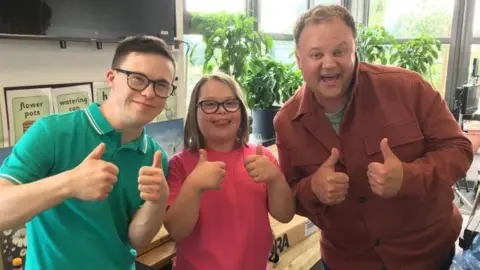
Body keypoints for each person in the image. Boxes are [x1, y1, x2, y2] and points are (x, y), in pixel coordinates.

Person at [273, 4, 474, 270]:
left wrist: (409, 176)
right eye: (316, 54)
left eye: (339, 51)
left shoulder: (407, 87)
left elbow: (459, 148)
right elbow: (288, 195)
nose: (329, 63)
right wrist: (314, 188)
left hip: (426, 256)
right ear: (299, 59)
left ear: (355, 50)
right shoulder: (287, 123)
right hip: (348, 261)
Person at [0, 35, 175, 269]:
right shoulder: (51, 132)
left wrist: (158, 201)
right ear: (111, 78)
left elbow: (136, 239)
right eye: (137, 79)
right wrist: (70, 183)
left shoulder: (155, 157)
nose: (149, 92)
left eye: (161, 85)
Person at [164, 72, 294, 270]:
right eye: (209, 104)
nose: (221, 111)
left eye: (230, 103)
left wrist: (276, 179)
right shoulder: (179, 165)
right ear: (194, 112)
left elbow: (285, 215)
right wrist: (193, 186)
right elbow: (176, 232)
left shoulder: (262, 157)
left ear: (241, 110)